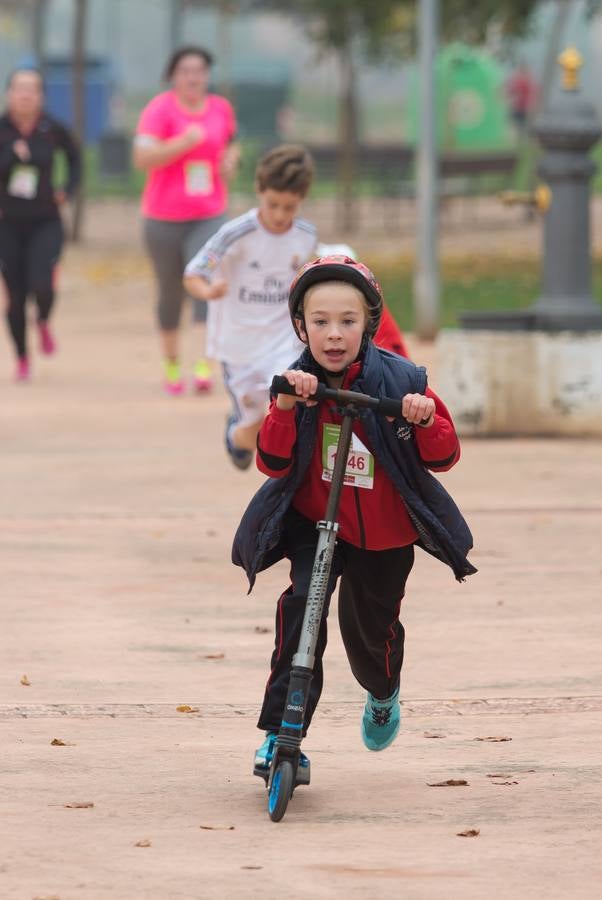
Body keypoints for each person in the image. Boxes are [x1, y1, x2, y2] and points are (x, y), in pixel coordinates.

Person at [231, 255, 476, 779]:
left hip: (382, 533)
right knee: (301, 613)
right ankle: (280, 731)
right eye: (320, 322)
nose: (334, 334)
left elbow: (444, 457)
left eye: (348, 321)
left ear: (369, 323)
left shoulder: (403, 378)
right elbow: (272, 463)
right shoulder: (296, 382)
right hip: (314, 522)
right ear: (301, 326)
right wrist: (283, 409)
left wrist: (423, 416)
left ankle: (383, 690)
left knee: (368, 632)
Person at [183, 144, 318, 469]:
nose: (280, 215)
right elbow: (193, 273)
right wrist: (210, 290)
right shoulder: (235, 234)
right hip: (239, 347)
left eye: (290, 207)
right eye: (273, 205)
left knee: (291, 404)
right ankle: (236, 436)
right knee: (254, 428)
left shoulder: (306, 237)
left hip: (284, 343)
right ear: (259, 191)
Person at [133, 45, 240, 395]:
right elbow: (142, 158)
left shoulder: (220, 109)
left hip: (209, 214)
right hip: (162, 218)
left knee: (204, 284)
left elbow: (231, 145)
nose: (193, 77)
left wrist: (230, 162)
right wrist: (181, 143)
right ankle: (171, 364)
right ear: (173, 75)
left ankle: (203, 365)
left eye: (199, 70)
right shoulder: (159, 110)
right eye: (185, 70)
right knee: (170, 292)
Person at [0, 68, 81, 382]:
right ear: (8, 94)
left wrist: (67, 190)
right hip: (5, 223)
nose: (26, 95)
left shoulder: (51, 128)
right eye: (19, 89)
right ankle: (22, 357)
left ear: (41, 96)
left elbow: (76, 158)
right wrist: (9, 157)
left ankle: (45, 320)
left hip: (45, 220)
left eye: (32, 89)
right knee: (15, 294)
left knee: (43, 283)